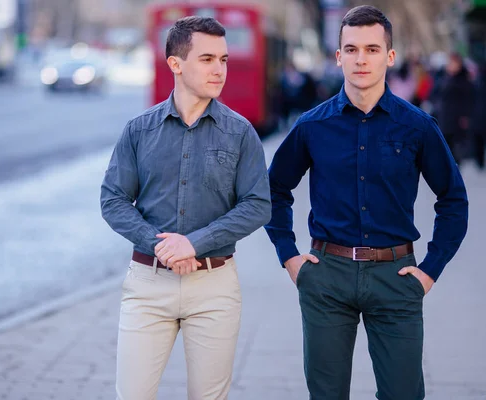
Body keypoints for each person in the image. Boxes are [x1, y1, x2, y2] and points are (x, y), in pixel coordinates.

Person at [265, 6, 468, 400]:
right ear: (338, 56)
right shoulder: (312, 125)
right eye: (352, 49)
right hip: (327, 276)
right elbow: (274, 191)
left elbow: (453, 199)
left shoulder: (417, 126)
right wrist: (289, 257)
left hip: (396, 277)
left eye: (372, 49)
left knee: (404, 394)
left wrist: (430, 269)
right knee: (326, 394)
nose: (361, 59)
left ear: (389, 56)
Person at [100, 16, 271, 400]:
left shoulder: (241, 132)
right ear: (175, 64)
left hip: (214, 285)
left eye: (224, 59)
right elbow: (112, 199)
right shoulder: (139, 130)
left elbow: (258, 205)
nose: (220, 69)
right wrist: (160, 244)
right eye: (207, 58)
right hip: (147, 284)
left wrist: (193, 243)